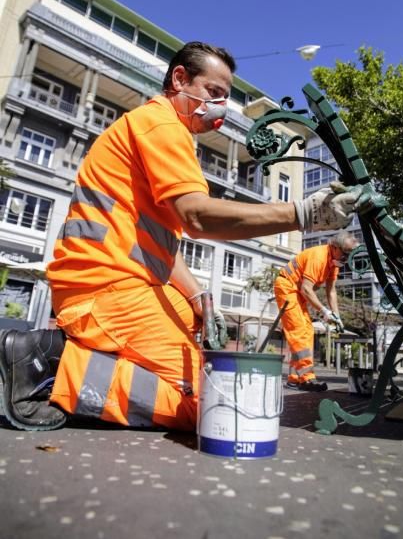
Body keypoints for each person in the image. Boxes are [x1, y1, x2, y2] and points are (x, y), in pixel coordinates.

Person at [0, 42, 363, 432]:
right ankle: (52, 365)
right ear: (180, 79)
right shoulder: (162, 125)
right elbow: (197, 218)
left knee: (193, 325)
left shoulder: (155, 127)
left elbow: (158, 244)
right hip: (106, 290)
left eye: (227, 97)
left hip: (113, 283)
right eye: (214, 93)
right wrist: (303, 214)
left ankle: (89, 354)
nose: (222, 106)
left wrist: (200, 298)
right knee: (211, 402)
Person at [274, 231, 360, 392]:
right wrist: (324, 311)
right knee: (300, 331)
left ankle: (294, 379)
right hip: (287, 287)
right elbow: (307, 288)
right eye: (345, 254)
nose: (346, 259)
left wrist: (337, 316)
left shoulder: (333, 263)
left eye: (350, 255)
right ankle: (307, 378)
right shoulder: (319, 257)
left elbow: (331, 291)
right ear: (334, 247)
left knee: (307, 330)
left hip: (297, 290)